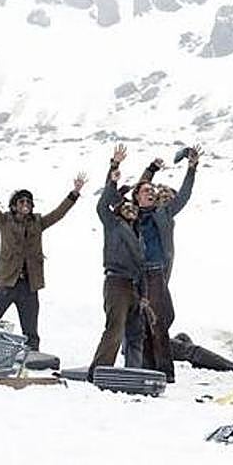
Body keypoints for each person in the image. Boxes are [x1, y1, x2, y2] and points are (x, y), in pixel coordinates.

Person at [0, 160, 86, 352]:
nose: (26, 204)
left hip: (30, 286)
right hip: (8, 283)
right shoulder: (4, 221)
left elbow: (58, 213)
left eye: (28, 202)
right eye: (21, 201)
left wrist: (74, 194)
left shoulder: (38, 223)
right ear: (14, 206)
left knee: (30, 330)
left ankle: (32, 360)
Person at [127, 146, 201, 382]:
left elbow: (184, 196)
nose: (150, 193)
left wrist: (191, 168)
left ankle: (165, 372)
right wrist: (150, 170)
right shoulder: (133, 213)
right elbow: (139, 187)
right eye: (146, 191)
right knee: (142, 322)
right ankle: (147, 366)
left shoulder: (163, 213)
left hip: (156, 273)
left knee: (160, 322)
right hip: (137, 274)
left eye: (152, 191)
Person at [89, 144, 148, 373]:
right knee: (115, 329)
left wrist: (143, 295)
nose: (131, 209)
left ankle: (133, 372)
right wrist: (114, 169)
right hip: (116, 283)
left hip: (133, 285)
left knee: (136, 333)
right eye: (127, 206)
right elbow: (104, 202)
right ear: (119, 210)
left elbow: (141, 266)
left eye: (134, 207)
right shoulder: (113, 225)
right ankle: (99, 370)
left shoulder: (137, 233)